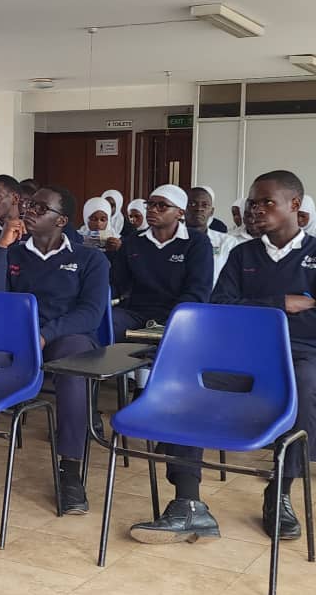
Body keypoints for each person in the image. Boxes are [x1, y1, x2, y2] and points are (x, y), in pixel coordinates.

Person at [130, 170, 316, 544]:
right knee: (185, 387)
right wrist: (280, 304)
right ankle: (188, 503)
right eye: (253, 203)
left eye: (267, 202)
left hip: (300, 355)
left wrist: (262, 310)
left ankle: (278, 492)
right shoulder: (243, 253)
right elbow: (223, 306)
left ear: (294, 206)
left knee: (306, 386)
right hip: (242, 354)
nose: (257, 210)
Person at [0, 186, 108, 515]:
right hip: (16, 337)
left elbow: (90, 313)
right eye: (29, 205)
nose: (29, 211)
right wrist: (3, 247)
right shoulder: (13, 253)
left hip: (64, 336)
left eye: (40, 208)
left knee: (74, 368)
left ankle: (70, 472)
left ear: (61, 220)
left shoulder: (90, 258)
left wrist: (45, 334)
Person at [110, 184, 213, 342]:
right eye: (150, 204)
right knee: (106, 323)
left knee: (172, 338)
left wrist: (168, 321)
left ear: (179, 213)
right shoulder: (134, 241)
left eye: (162, 206)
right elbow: (117, 283)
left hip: (177, 314)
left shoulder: (196, 242)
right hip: (136, 312)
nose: (152, 209)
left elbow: (197, 291)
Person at [185, 187, 239, 285]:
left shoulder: (227, 242)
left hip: (216, 299)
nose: (199, 209)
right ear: (183, 208)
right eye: (192, 204)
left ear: (212, 211)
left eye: (205, 205)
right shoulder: (172, 239)